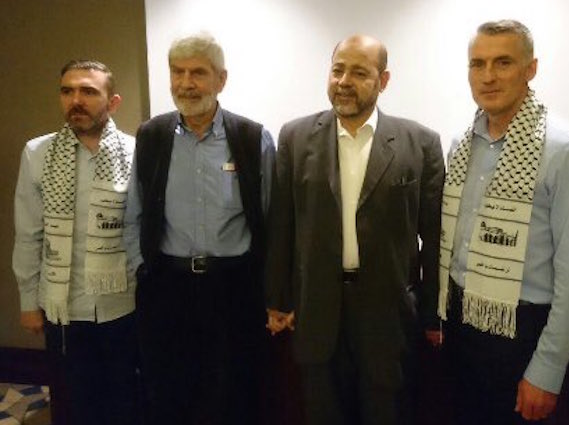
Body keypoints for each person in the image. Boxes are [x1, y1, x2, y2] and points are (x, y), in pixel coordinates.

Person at [265, 34, 444, 425]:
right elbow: (283, 224)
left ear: (383, 80)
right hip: (316, 313)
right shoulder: (294, 137)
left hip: (388, 316)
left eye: (359, 72)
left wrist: (432, 314)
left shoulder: (421, 143)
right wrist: (278, 298)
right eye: (337, 70)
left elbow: (433, 238)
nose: (344, 80)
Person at [439, 20, 569, 424]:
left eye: (503, 62)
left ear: (531, 69)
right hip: (461, 328)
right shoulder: (464, 145)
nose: (488, 76)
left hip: (523, 336)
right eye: (477, 64)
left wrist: (547, 370)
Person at [123, 31, 275, 425]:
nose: (186, 83)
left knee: (234, 394)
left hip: (233, 289)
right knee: (170, 394)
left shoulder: (252, 138)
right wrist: (144, 269)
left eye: (198, 73)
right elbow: (134, 214)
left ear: (220, 80)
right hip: (167, 289)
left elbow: (272, 221)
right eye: (177, 72)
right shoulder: (152, 136)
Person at [12, 60, 138, 425]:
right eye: (67, 91)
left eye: (88, 91)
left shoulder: (137, 152)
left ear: (113, 102)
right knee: (75, 401)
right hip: (62, 306)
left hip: (123, 304)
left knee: (123, 400)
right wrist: (28, 300)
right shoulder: (37, 153)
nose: (75, 100)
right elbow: (28, 232)